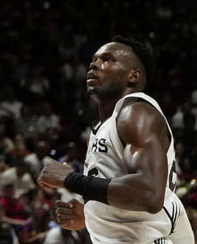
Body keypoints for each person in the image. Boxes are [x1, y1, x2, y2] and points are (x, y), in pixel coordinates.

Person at [37, 37, 195, 244]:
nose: (94, 64)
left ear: (133, 76)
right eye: (93, 59)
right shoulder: (106, 125)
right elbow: (142, 197)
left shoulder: (135, 113)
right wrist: (92, 215)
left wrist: (70, 180)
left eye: (107, 59)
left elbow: (149, 193)